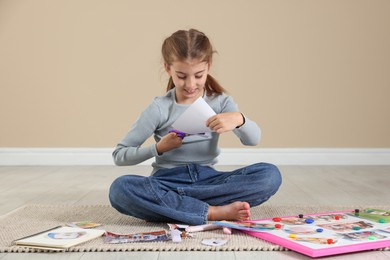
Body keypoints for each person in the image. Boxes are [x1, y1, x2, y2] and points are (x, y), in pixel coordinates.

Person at [109, 29, 282, 226]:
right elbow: (120, 155)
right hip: (168, 182)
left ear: (209, 66)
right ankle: (212, 212)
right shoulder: (159, 108)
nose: (191, 84)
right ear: (168, 69)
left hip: (210, 183)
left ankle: (177, 208)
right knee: (120, 189)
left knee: (270, 175)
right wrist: (158, 148)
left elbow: (254, 140)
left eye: (199, 75)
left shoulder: (221, 102)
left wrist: (239, 119)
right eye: (181, 76)